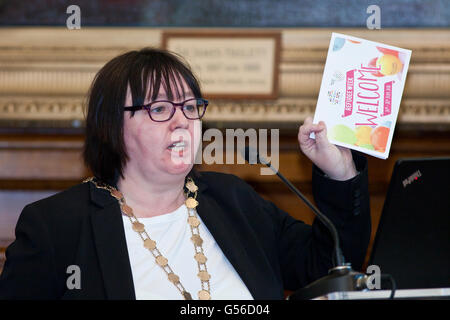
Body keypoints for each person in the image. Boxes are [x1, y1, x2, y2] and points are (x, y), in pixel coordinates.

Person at [0, 48, 370, 300]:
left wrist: (339, 174)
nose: (182, 121)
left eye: (191, 106)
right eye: (160, 108)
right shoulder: (56, 227)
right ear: (113, 126)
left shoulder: (232, 200)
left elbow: (327, 267)